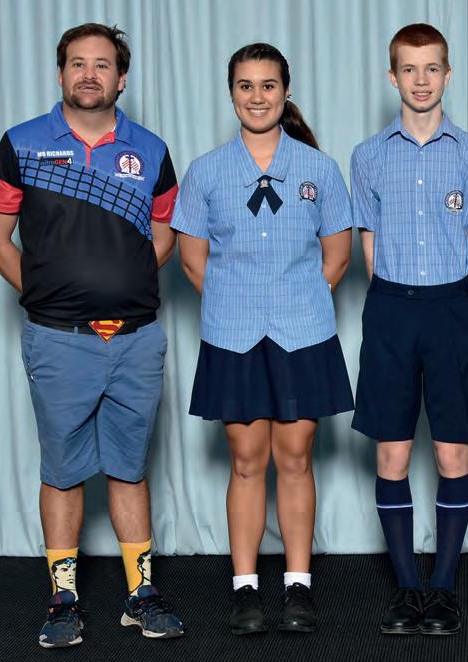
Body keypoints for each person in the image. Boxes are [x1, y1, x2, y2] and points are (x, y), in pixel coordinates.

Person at [0, 23, 184, 647]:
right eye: (77, 63)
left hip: (136, 338)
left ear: (122, 79)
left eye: (102, 65)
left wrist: (122, 286)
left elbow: (165, 233)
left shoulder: (151, 149)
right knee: (63, 471)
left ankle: (140, 595)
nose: (89, 74)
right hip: (57, 338)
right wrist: (48, 293)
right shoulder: (21, 144)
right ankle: (62, 601)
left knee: (129, 467)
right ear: (60, 73)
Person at [172, 43, 354, 635]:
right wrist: (239, 305)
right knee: (247, 462)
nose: (257, 96)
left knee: (295, 459)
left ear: (285, 91)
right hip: (234, 336)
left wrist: (293, 303)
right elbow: (193, 261)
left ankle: (298, 586)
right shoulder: (206, 172)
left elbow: (337, 257)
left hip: (303, 332)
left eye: (268, 85)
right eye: (246, 86)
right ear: (232, 94)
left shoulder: (319, 169)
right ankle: (245, 588)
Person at [350, 23, 468, 636]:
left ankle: (443, 588)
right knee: (392, 450)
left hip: (449, 307)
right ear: (392, 77)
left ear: (447, 74)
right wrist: (398, 297)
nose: (420, 80)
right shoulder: (368, 155)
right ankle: (408, 587)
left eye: (431, 68)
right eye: (408, 69)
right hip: (390, 307)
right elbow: (369, 243)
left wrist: (449, 298)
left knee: (452, 448)